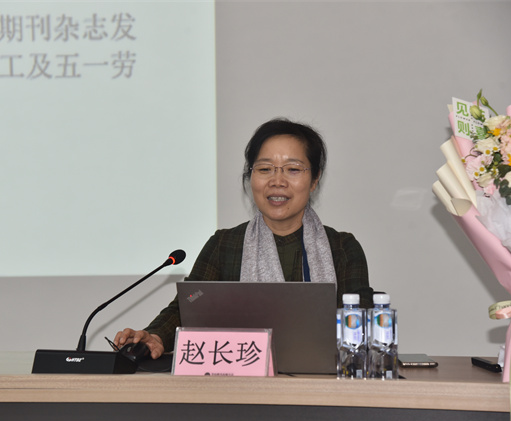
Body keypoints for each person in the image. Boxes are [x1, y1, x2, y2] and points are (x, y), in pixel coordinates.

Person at [114, 118, 373, 359]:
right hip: (240, 385)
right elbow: (190, 303)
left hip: (323, 385)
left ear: (314, 179)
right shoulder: (225, 245)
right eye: (265, 169)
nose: (277, 181)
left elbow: (359, 328)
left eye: (293, 169)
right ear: (251, 177)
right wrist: (156, 336)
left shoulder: (342, 248)